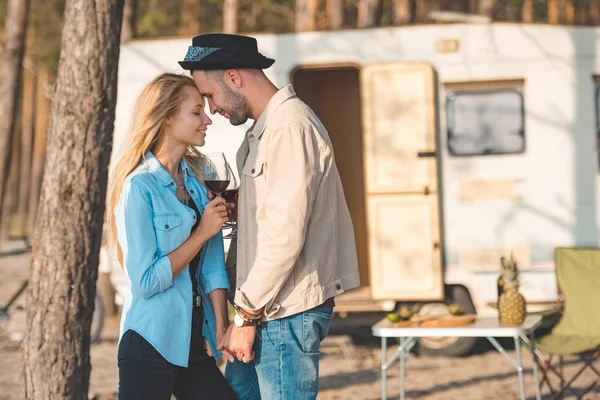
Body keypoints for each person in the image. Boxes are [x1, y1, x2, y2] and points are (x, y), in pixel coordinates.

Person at [178, 34, 360, 400]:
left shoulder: (290, 127)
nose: (212, 110)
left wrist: (244, 317)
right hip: (266, 308)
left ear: (233, 76)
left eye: (210, 97)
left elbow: (285, 235)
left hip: (284, 311)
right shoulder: (262, 131)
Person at [107, 72, 237, 400]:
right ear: (166, 118)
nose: (207, 119)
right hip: (150, 341)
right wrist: (202, 232)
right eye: (196, 112)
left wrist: (221, 324)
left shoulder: (196, 181)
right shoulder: (139, 188)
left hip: (192, 340)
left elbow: (210, 264)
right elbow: (146, 281)